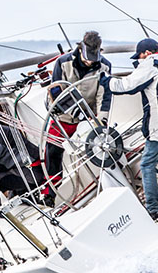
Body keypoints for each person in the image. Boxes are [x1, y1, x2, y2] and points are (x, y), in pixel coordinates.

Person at [100, 38, 158, 220]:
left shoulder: (150, 64)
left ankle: (153, 209)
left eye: (140, 56)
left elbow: (126, 86)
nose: (139, 60)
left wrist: (104, 80)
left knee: (147, 163)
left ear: (147, 53)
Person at [41, 31, 112, 205]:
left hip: (89, 117)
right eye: (88, 59)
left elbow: (104, 95)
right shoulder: (62, 63)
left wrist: (101, 120)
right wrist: (77, 113)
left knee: (102, 146)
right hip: (64, 117)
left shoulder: (104, 66)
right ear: (80, 49)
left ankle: (108, 182)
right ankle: (50, 193)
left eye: (93, 59)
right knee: (52, 151)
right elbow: (57, 92)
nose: (90, 62)